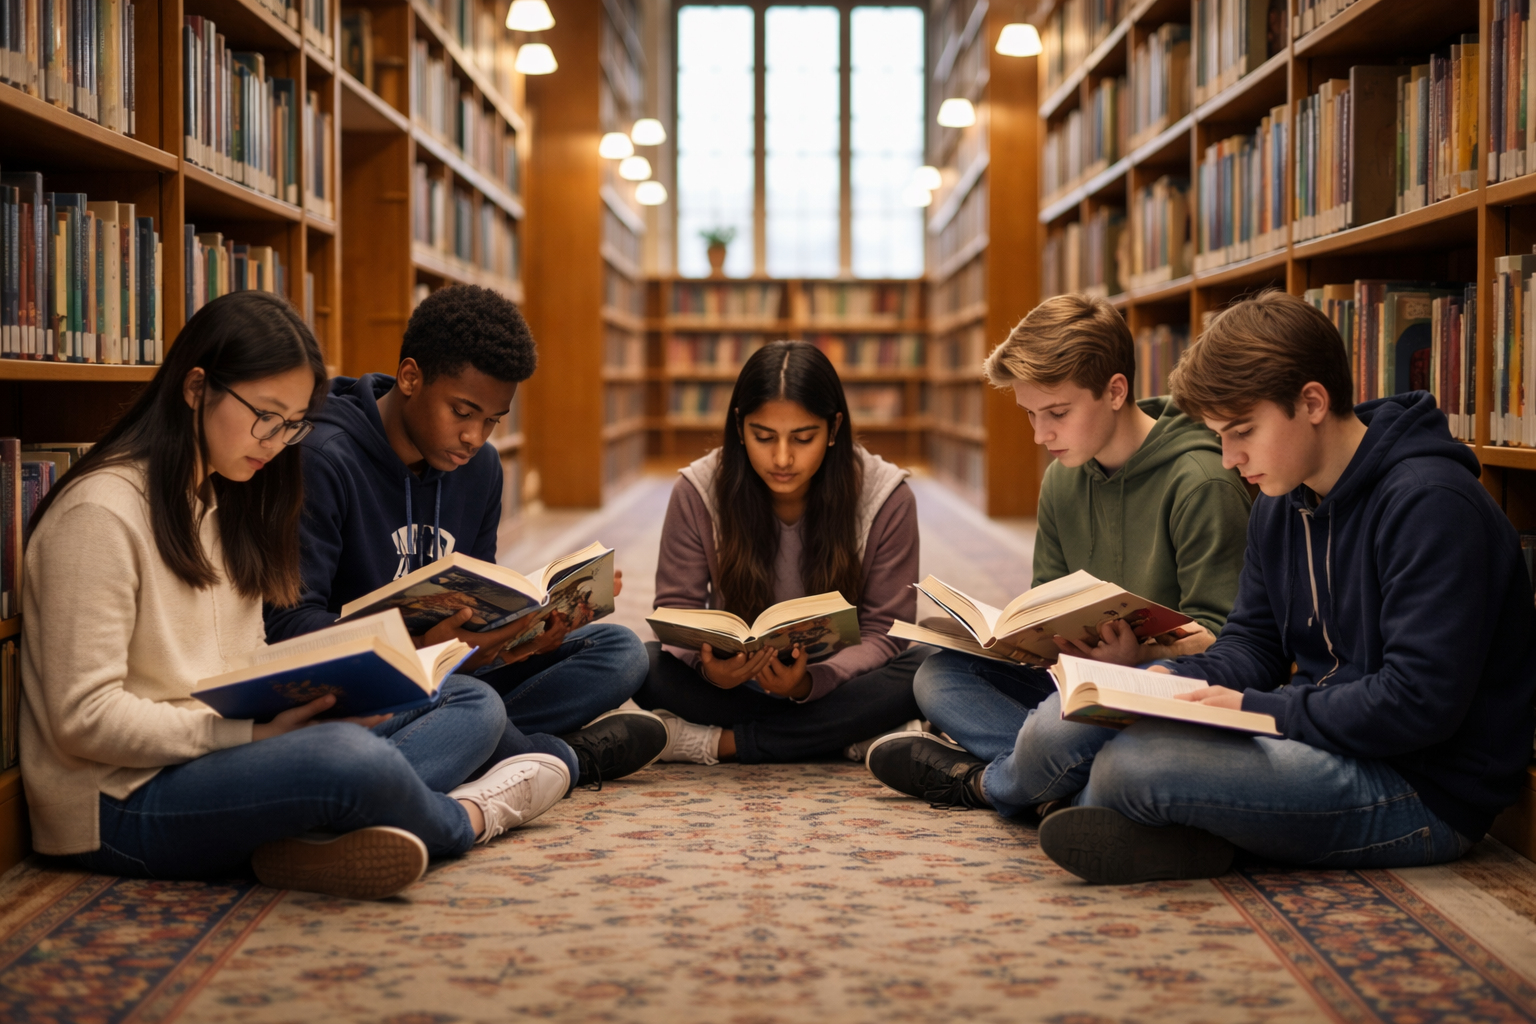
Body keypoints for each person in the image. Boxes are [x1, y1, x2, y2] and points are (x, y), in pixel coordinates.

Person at [20, 291, 570, 901]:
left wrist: (314, 699)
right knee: (346, 759)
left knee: (464, 699)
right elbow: (83, 721)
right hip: (122, 801)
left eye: (292, 424)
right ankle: (468, 817)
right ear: (197, 388)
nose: (278, 442)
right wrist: (256, 739)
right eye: (266, 417)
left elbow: (242, 658)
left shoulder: (221, 500)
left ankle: (314, 828)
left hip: (222, 749)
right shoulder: (100, 515)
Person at [1011, 290, 1536, 883]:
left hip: (1419, 786)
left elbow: (1416, 704)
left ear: (1311, 401)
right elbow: (1253, 646)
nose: (1230, 459)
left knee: (1130, 766)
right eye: (1218, 436)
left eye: (1242, 432)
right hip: (1319, 738)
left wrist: (1257, 709)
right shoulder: (1283, 501)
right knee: (1069, 718)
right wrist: (1167, 681)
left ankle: (1159, 823)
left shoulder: (1430, 505)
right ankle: (1181, 833)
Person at [262, 285, 665, 789]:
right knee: (476, 705)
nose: (476, 437)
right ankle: (561, 760)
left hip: (451, 672)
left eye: (493, 421)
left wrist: (520, 635)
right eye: (462, 412)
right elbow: (286, 628)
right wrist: (415, 646)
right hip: (363, 687)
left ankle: (482, 747)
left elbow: (478, 592)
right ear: (410, 377)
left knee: (619, 650)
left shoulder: (482, 469)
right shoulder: (324, 458)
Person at [867, 294, 1251, 806]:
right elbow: (1045, 602)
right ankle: (1079, 788)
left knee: (1058, 728)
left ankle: (986, 783)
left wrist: (1139, 655)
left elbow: (1229, 643)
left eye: (1057, 413)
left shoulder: (1200, 480)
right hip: (1078, 682)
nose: (1039, 434)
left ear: (1116, 391)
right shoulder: (1061, 480)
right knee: (937, 675)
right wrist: (1014, 639)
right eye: (1029, 414)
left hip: (1159, 689)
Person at [635, 340, 928, 763]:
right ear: (739, 427)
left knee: (931, 664)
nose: (783, 458)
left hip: (840, 680)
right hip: (733, 685)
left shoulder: (887, 496)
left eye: (804, 437)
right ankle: (846, 734)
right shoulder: (697, 490)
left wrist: (810, 683)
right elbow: (676, 609)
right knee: (643, 664)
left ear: (834, 429)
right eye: (763, 436)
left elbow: (885, 629)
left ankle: (722, 743)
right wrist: (711, 671)